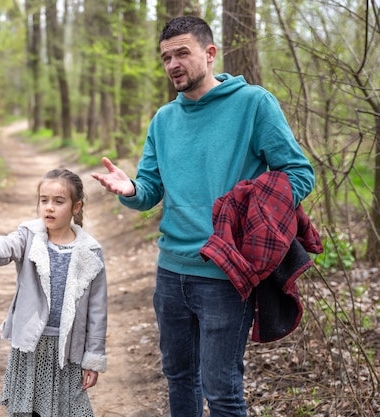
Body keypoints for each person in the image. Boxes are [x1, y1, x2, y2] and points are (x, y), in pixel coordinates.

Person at [91, 16, 315, 417]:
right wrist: (131, 191)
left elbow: (299, 173)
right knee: (179, 378)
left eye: (182, 53)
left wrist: (256, 208)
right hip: (170, 273)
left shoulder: (253, 104)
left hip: (225, 274)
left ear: (209, 54)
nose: (173, 64)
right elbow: (150, 190)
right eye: (165, 58)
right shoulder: (163, 120)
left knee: (222, 389)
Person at [0, 168, 108, 417]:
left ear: (76, 207)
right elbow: (5, 246)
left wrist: (93, 358)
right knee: (29, 411)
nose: (49, 207)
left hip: (67, 350)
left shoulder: (90, 252)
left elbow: (98, 311)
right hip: (31, 345)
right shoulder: (29, 237)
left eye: (58, 201)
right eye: (44, 200)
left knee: (69, 410)